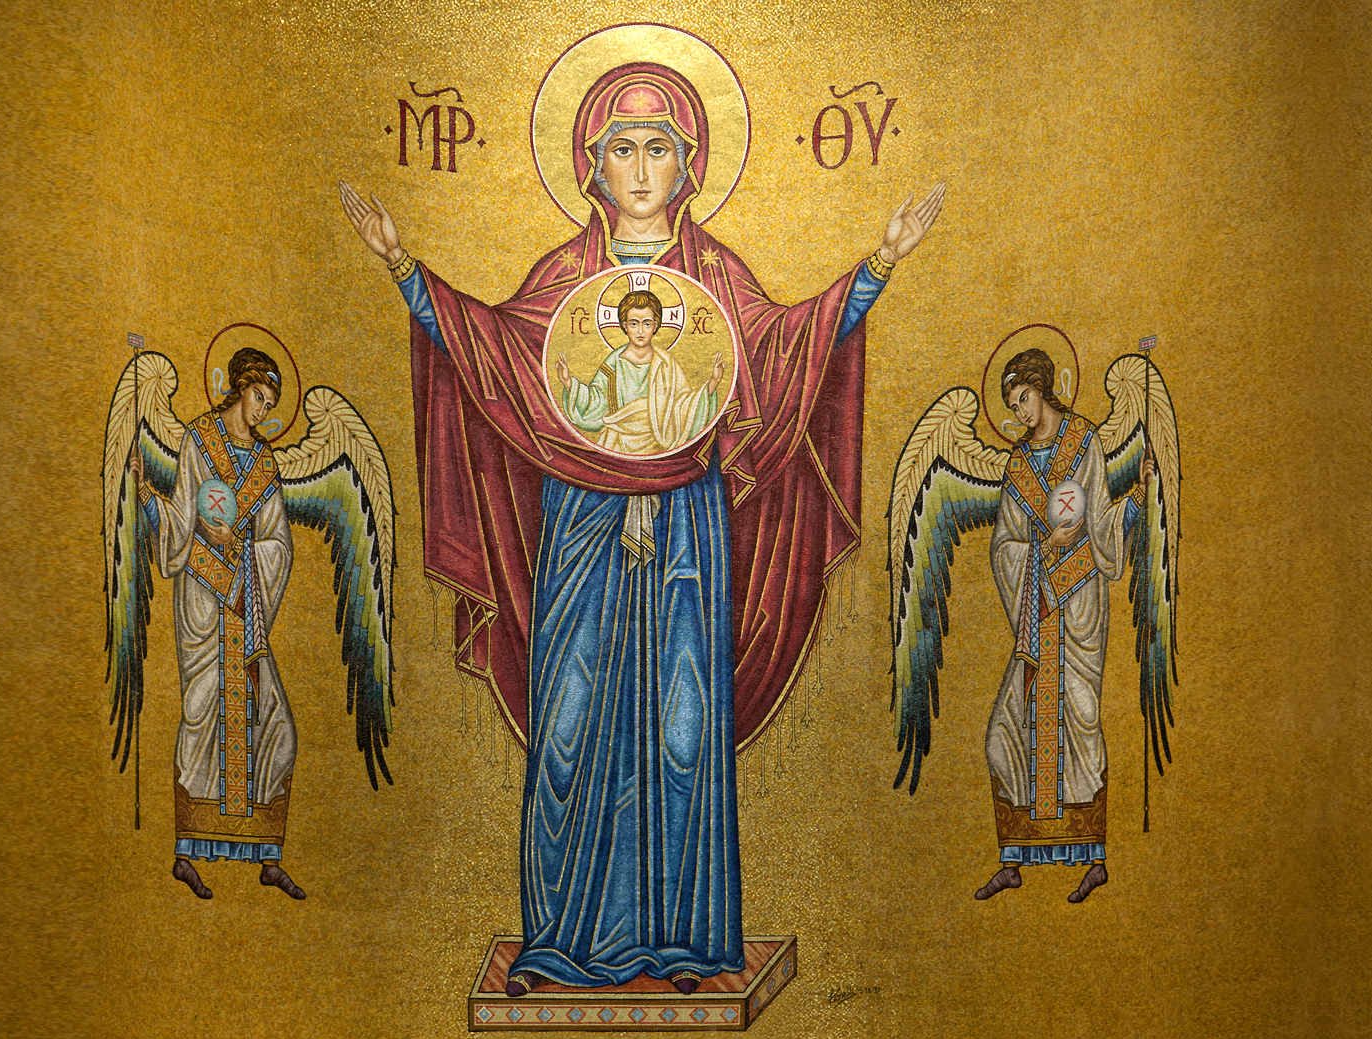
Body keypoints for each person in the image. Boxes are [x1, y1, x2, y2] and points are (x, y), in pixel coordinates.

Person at [340, 62, 944, 992]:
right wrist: (403, 269)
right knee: (569, 720)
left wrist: (878, 267)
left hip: (687, 526)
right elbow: (491, 352)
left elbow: (786, 349)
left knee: (683, 724)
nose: (639, 168)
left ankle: (687, 942)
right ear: (592, 165)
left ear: (688, 163)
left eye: (658, 147)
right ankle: (561, 939)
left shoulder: (716, 275)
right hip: (581, 520)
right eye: (620, 149)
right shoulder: (563, 277)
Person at [975, 347, 1154, 904]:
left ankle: (1094, 858)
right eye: (1012, 405)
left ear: (1043, 388)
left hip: (1077, 607)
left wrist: (1135, 499)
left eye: (1024, 398)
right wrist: (1037, 549)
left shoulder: (1084, 442)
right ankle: (1013, 859)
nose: (1020, 412)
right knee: (1003, 734)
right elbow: (1003, 545)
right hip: (1036, 613)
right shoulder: (1016, 466)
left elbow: (1098, 520)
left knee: (1080, 723)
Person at [131, 347, 307, 901]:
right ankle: (186, 853)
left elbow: (280, 544)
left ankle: (267, 855)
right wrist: (147, 496)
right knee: (202, 715)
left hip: (245, 608)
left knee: (277, 726)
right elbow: (183, 517)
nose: (263, 411)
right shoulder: (199, 440)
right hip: (204, 602)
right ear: (239, 388)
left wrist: (246, 548)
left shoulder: (267, 466)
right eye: (259, 397)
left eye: (271, 404)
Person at [554, 288, 724, 457]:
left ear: (655, 326)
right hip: (617, 444)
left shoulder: (666, 364)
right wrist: (568, 382)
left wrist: (713, 382)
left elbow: (683, 406)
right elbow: (596, 402)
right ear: (625, 326)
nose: (640, 331)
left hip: (658, 446)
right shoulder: (614, 362)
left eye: (647, 324)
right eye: (634, 324)